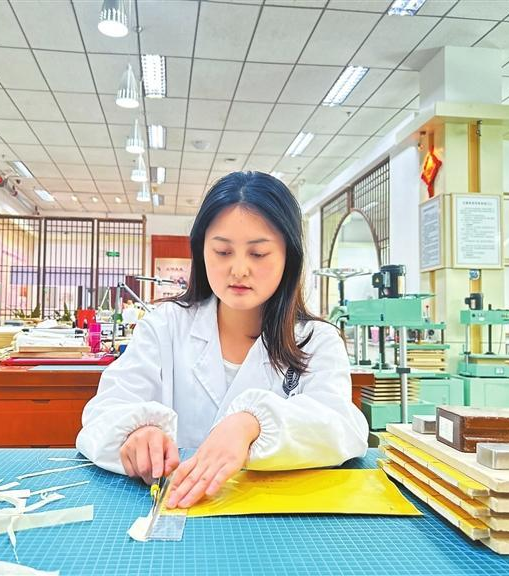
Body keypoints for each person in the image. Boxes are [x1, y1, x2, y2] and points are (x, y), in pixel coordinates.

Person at [76, 171, 369, 509]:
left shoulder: (316, 340)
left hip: (275, 522)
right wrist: (135, 435)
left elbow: (341, 427)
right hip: (174, 510)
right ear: (202, 251)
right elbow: (104, 413)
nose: (239, 269)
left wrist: (251, 424)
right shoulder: (164, 326)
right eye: (223, 251)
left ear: (289, 256)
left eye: (258, 254)